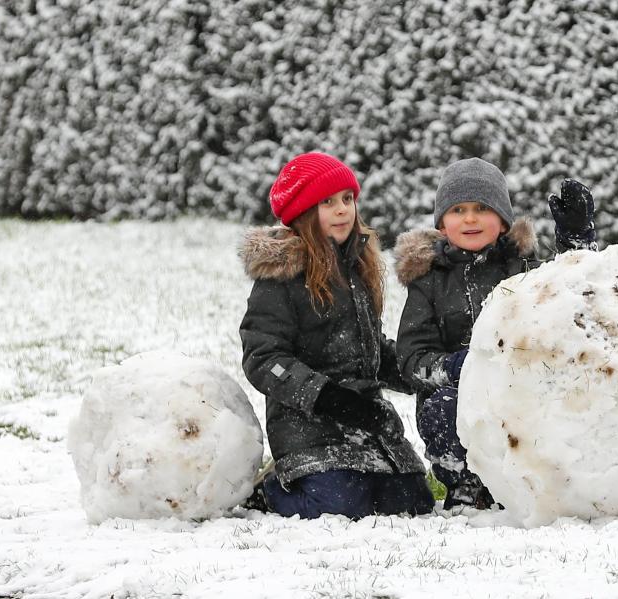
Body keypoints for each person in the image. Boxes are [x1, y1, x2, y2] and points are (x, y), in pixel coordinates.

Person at [239, 152, 434, 519]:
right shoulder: (280, 277)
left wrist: (415, 370)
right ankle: (270, 491)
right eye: (327, 202)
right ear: (303, 212)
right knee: (338, 506)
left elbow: (370, 348)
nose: (343, 210)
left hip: (368, 420)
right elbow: (262, 357)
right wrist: (328, 398)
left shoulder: (356, 267)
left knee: (411, 503)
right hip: (307, 422)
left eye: (347, 199)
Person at [394, 157, 597, 509]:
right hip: (458, 395)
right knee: (442, 410)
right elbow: (412, 358)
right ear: (442, 222)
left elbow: (570, 296)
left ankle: (530, 480)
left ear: (502, 221)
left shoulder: (525, 269)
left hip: (521, 392)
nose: (470, 219)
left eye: (482, 208)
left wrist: (575, 243)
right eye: (458, 209)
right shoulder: (429, 281)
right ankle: (465, 483)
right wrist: (457, 367)